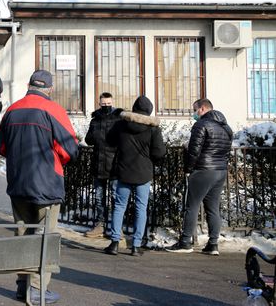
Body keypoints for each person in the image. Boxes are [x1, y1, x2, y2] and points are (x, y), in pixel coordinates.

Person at [0, 69, 78, 304]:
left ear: (30, 85)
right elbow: (70, 149)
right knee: (45, 236)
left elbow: (1, 146)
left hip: (18, 181)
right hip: (47, 183)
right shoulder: (54, 110)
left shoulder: (11, 110)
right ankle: (37, 288)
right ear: (49, 89)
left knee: (23, 234)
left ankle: (22, 286)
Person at [166, 98, 233, 255]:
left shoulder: (201, 125)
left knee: (192, 206)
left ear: (202, 109)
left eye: (194, 109)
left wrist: (188, 168)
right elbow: (226, 150)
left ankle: (185, 242)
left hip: (203, 170)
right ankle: (213, 244)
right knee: (213, 208)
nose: (194, 113)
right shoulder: (226, 127)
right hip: (220, 170)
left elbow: (194, 150)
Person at [104, 95, 165, 257]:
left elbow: (109, 141)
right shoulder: (153, 129)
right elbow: (159, 152)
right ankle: (136, 246)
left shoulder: (121, 125)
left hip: (123, 171)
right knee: (141, 209)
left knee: (119, 207)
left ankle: (115, 242)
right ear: (149, 111)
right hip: (143, 173)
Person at [84, 92, 122, 238]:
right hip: (98, 163)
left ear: (112, 102)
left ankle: (116, 227)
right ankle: (100, 224)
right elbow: (88, 140)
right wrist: (93, 136)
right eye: (103, 104)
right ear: (99, 103)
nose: (106, 106)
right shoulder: (95, 119)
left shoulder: (119, 118)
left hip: (114, 164)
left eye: (108, 103)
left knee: (115, 197)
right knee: (99, 197)